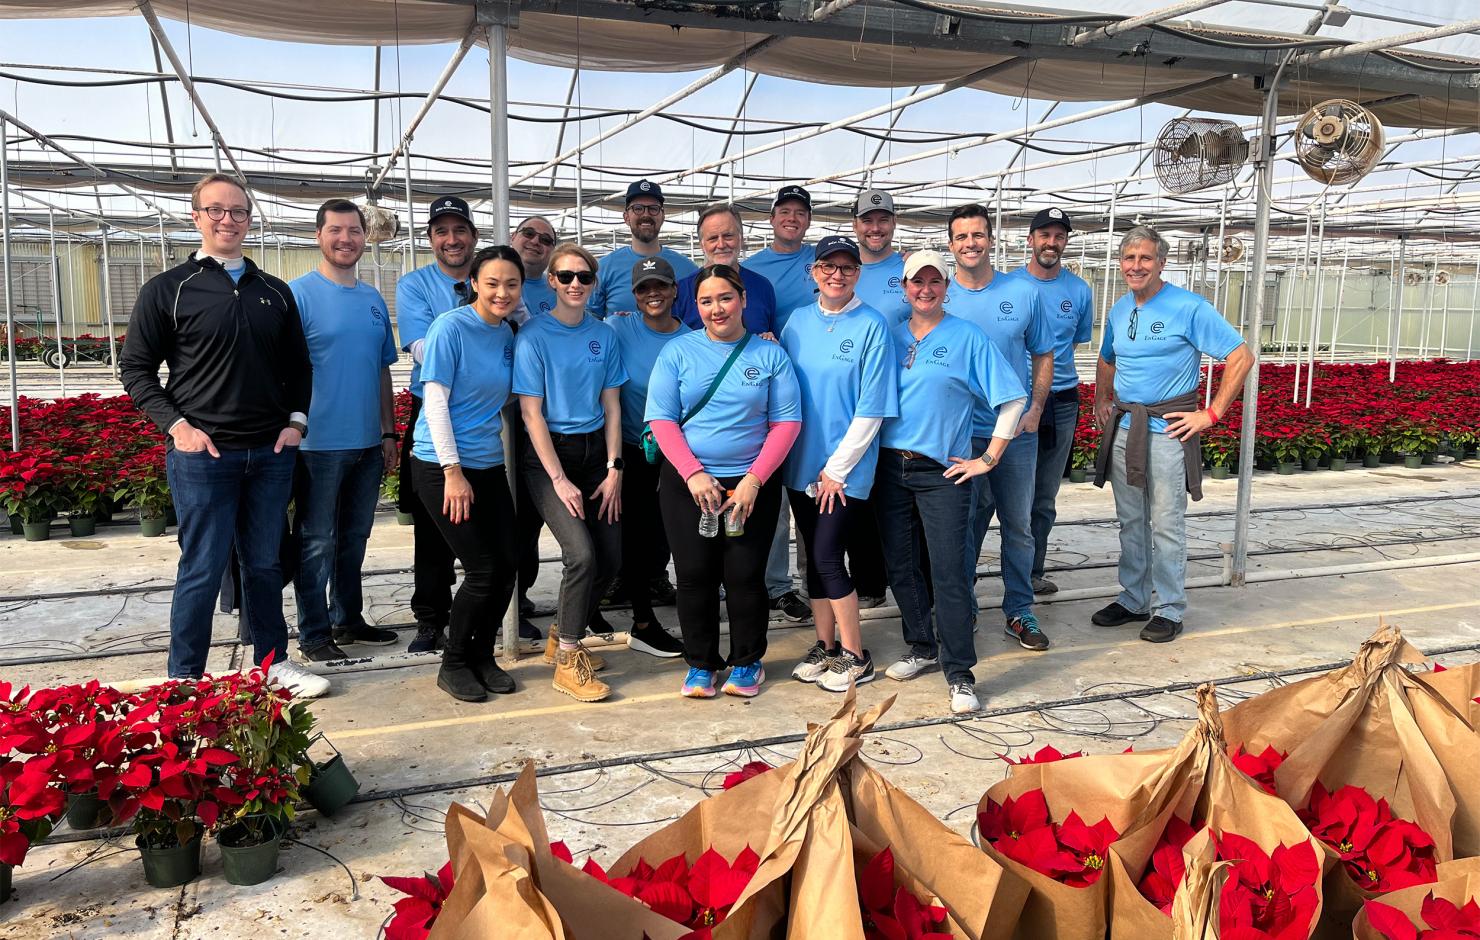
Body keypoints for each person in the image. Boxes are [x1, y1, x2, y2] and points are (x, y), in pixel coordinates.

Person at [120, 172, 327, 698]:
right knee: (203, 564)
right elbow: (136, 369)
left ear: (249, 220)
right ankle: (184, 675)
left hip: (270, 451)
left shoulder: (274, 292)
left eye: (237, 211)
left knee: (263, 561)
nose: (227, 220)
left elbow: (298, 368)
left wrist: (296, 424)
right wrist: (179, 427)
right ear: (196, 217)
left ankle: (272, 664)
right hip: (203, 454)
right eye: (215, 210)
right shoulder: (169, 289)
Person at [875, 250, 1026, 714]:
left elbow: (1012, 399)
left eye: (933, 281)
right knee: (902, 567)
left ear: (946, 286)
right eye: (915, 282)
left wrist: (988, 457)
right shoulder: (890, 337)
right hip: (888, 468)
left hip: (942, 471)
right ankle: (921, 645)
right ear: (903, 287)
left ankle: (959, 671)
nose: (924, 289)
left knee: (949, 573)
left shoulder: (966, 336)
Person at [646, 264, 802, 699]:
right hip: (688, 481)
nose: (717, 309)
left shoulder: (769, 355)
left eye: (725, 298)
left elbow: (786, 422)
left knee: (744, 574)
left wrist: (754, 480)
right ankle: (701, 664)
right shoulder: (679, 352)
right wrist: (694, 473)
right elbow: (661, 418)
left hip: (752, 482)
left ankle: (748, 661)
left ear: (743, 299)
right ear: (696, 307)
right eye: (706, 301)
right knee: (694, 574)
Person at [1092, 226, 1253, 643]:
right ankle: (1132, 598)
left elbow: (1241, 356)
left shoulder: (1189, 307)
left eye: (1145, 258)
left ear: (1161, 263)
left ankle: (1168, 607)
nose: (1136, 266)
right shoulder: (1119, 309)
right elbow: (1107, 357)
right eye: (1129, 259)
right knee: (1130, 519)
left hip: (1167, 431)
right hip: (1126, 428)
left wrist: (1211, 413)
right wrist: (1102, 399)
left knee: (1165, 521)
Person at [780, 236, 898, 693]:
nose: (837, 274)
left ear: (858, 274)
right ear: (814, 272)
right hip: (801, 464)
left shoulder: (872, 326)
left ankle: (855, 654)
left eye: (847, 268)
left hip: (844, 470)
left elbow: (872, 408)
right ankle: (825, 646)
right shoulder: (797, 323)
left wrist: (838, 468)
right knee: (812, 560)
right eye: (828, 266)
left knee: (829, 556)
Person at [409, 246, 523, 702]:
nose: (502, 292)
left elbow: (507, 396)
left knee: (510, 565)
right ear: (474, 282)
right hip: (442, 466)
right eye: (492, 282)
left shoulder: (508, 333)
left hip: (488, 462)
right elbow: (435, 403)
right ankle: (453, 661)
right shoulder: (450, 328)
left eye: (511, 284)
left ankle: (482, 654)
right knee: (482, 568)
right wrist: (453, 471)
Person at [288, 199, 400, 663]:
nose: (345, 239)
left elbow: (382, 371)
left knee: (355, 538)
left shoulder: (373, 299)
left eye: (354, 231)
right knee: (316, 541)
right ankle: (314, 632)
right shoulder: (297, 295)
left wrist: (389, 433)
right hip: (316, 444)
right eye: (336, 230)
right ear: (319, 235)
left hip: (367, 444)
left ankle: (347, 618)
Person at [515, 243, 628, 702]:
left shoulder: (604, 334)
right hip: (549, 457)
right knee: (580, 554)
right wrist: (558, 478)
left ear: (594, 282)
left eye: (584, 276)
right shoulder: (534, 337)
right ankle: (567, 657)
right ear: (551, 282)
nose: (575, 284)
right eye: (566, 277)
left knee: (611, 558)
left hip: (596, 452)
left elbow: (613, 406)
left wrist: (614, 468)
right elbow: (531, 414)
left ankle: (562, 631)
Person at [943, 203, 1055, 653]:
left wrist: (1036, 408)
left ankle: (1018, 609)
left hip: (1013, 433)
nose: (970, 243)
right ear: (950, 245)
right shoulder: (937, 294)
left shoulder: (1024, 293)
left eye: (977, 234)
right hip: (958, 433)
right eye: (961, 237)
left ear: (992, 238)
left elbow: (1043, 353)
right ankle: (962, 605)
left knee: (1018, 523)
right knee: (963, 525)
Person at [395, 196, 476, 655]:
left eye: (459, 230)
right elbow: (422, 348)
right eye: (442, 231)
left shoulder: (492, 278)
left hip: (489, 418)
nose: (452, 239)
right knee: (433, 525)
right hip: (435, 415)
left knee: (496, 519)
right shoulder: (415, 285)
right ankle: (430, 618)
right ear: (430, 239)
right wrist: (478, 360)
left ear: (473, 236)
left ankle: (507, 607)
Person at [606, 257, 690, 658]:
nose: (652, 294)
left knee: (664, 537)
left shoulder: (691, 337)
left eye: (660, 286)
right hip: (628, 449)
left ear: (675, 290)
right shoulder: (618, 327)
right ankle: (642, 621)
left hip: (675, 451)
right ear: (634, 296)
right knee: (632, 538)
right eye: (643, 288)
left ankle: (659, 606)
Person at [1010, 207, 1095, 596]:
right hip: (1011, 401)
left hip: (1060, 401)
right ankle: (968, 573)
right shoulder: (1007, 286)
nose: (1051, 242)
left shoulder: (1078, 291)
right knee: (989, 495)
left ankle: (1032, 572)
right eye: (1044, 235)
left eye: (1059, 236)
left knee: (1043, 495)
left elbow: (1073, 342)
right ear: (1030, 240)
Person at [745, 185, 817, 623]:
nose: (792, 217)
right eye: (784, 211)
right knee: (770, 493)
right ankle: (774, 585)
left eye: (800, 212)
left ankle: (816, 581)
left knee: (811, 489)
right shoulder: (753, 272)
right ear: (772, 219)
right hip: (770, 394)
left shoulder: (823, 261)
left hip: (818, 393)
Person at [509, 215, 559, 631]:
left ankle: (519, 598)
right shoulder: (501, 281)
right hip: (498, 410)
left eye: (546, 239)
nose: (536, 243)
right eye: (529, 234)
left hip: (542, 415)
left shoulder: (556, 288)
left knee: (528, 518)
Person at [587, 180, 698, 319]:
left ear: (663, 216)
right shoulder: (604, 268)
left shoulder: (688, 269)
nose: (646, 214)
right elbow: (590, 320)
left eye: (653, 208)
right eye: (638, 208)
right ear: (626, 217)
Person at [673, 203, 778, 337]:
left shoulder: (762, 286)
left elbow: (771, 333)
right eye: (713, 238)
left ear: (741, 239)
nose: (721, 245)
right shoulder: (682, 291)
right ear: (702, 245)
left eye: (728, 236)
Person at [852, 189, 911, 326]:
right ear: (854, 225)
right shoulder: (839, 273)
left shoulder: (911, 270)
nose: (875, 228)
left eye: (883, 220)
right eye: (867, 221)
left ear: (894, 222)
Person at [512, 215, 558, 320]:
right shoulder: (484, 282)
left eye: (545, 240)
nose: (535, 241)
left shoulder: (560, 291)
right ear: (513, 237)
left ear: (553, 250)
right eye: (529, 233)